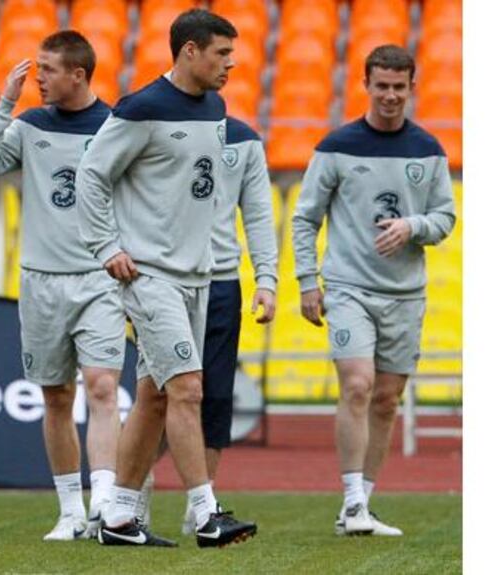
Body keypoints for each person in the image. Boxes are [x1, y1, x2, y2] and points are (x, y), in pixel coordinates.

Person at [77, 9, 257, 548]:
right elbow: (92, 173)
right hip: (150, 275)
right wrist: (106, 245)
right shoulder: (143, 108)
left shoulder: (217, 108)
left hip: (198, 276)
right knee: (187, 389)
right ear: (189, 52)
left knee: (155, 395)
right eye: (222, 54)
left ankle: (117, 517)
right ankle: (206, 514)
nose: (232, 63)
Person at [0, 31, 126, 541]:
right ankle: (70, 512)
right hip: (41, 280)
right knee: (56, 396)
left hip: (99, 277)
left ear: (78, 74)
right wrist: (5, 105)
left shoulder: (117, 127)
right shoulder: (31, 124)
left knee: (102, 387)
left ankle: (103, 500)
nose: (38, 78)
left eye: (48, 70)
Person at [292, 44, 456, 537]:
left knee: (386, 398)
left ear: (412, 88)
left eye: (398, 88)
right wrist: (306, 282)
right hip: (348, 287)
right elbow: (304, 218)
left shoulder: (428, 150)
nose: (389, 96)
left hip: (405, 293)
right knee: (358, 384)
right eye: (381, 86)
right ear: (365, 85)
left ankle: (361, 503)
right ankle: (351, 500)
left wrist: (413, 226)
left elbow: (445, 217)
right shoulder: (337, 145)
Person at [176, 113, 278, 534]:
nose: (225, 65)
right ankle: (133, 496)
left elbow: (257, 214)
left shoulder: (244, 140)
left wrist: (267, 279)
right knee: (161, 394)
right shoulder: (154, 122)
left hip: (221, 282)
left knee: (216, 396)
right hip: (168, 278)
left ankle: (199, 505)